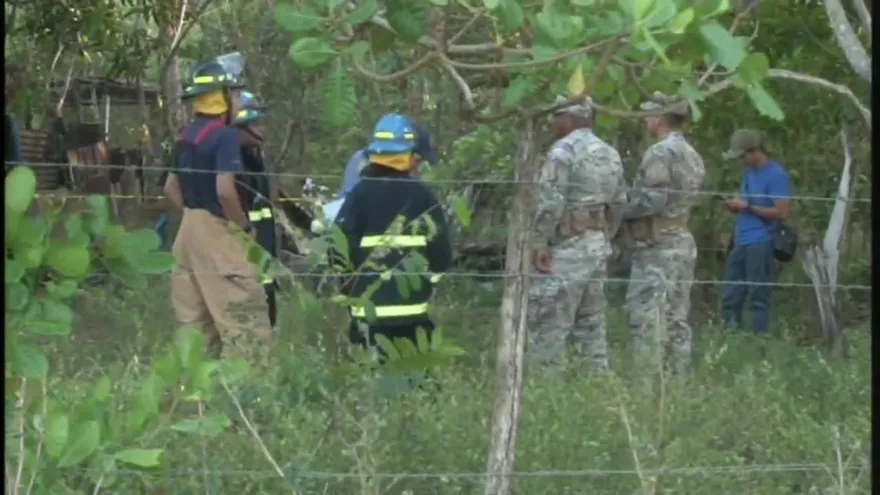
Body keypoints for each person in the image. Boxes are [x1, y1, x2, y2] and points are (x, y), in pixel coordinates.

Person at [162, 52, 272, 362]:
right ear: (222, 98)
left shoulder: (186, 136)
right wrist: (243, 228)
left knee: (195, 329)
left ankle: (195, 398)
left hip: (187, 233)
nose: (239, 101)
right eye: (235, 94)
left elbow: (170, 187)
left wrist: (193, 214)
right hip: (217, 232)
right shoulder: (224, 137)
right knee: (245, 325)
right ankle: (250, 401)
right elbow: (225, 190)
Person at [330, 113, 452, 360]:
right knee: (414, 375)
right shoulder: (423, 195)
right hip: (413, 315)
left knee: (370, 377)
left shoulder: (359, 194)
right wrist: (432, 281)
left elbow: (338, 247)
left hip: (367, 315)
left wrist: (345, 287)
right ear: (408, 155)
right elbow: (442, 252)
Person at [528, 96, 627, 372]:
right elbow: (619, 202)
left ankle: (545, 390)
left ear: (567, 119)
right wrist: (606, 236)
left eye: (555, 118)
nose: (553, 124)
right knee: (592, 324)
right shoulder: (610, 153)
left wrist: (540, 243)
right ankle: (596, 384)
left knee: (548, 323)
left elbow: (550, 202)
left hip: (567, 246)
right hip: (596, 245)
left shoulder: (562, 151)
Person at [620, 91, 705, 376]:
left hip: (658, 245)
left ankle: (647, 387)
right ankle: (678, 382)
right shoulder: (692, 154)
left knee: (646, 316)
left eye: (648, 114)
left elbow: (654, 199)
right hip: (681, 239)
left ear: (660, 118)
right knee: (677, 318)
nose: (645, 120)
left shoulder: (660, 152)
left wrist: (620, 206)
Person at [720, 129, 792, 335]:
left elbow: (782, 212)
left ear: (754, 151)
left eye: (742, 156)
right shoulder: (748, 173)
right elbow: (746, 202)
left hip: (761, 240)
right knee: (731, 294)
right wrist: (736, 206)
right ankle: (730, 337)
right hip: (742, 239)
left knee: (758, 296)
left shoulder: (776, 175)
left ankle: (760, 342)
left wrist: (747, 207)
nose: (741, 161)